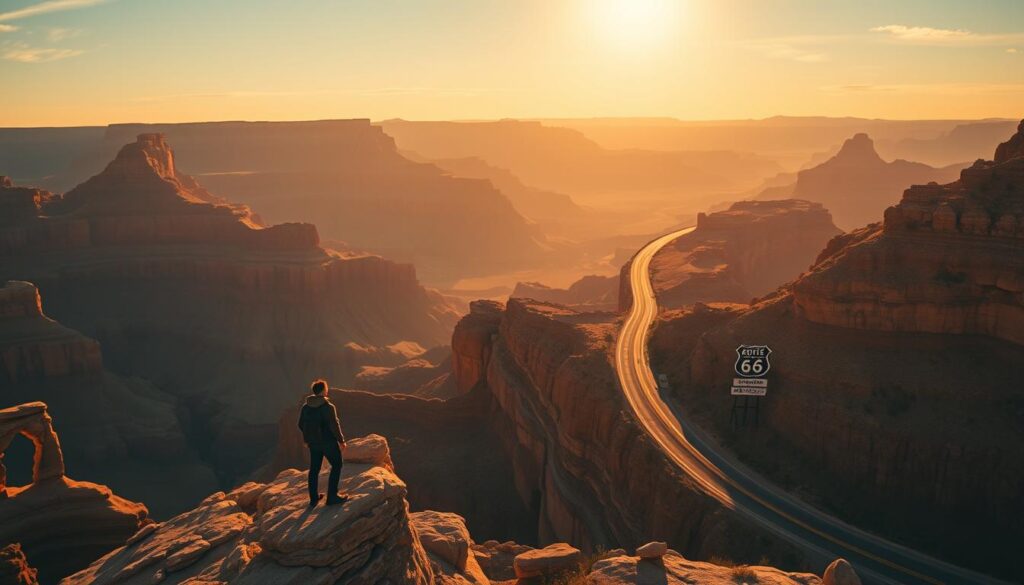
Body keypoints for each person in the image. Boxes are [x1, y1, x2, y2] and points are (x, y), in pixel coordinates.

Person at [297, 379, 347, 506]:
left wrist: (308, 438)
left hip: (313, 444)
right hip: (328, 442)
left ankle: (314, 499)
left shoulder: (306, 407)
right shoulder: (328, 407)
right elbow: (334, 425)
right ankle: (332, 497)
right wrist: (341, 441)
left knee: (314, 469)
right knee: (337, 465)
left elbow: (301, 424)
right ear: (323, 391)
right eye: (326, 388)